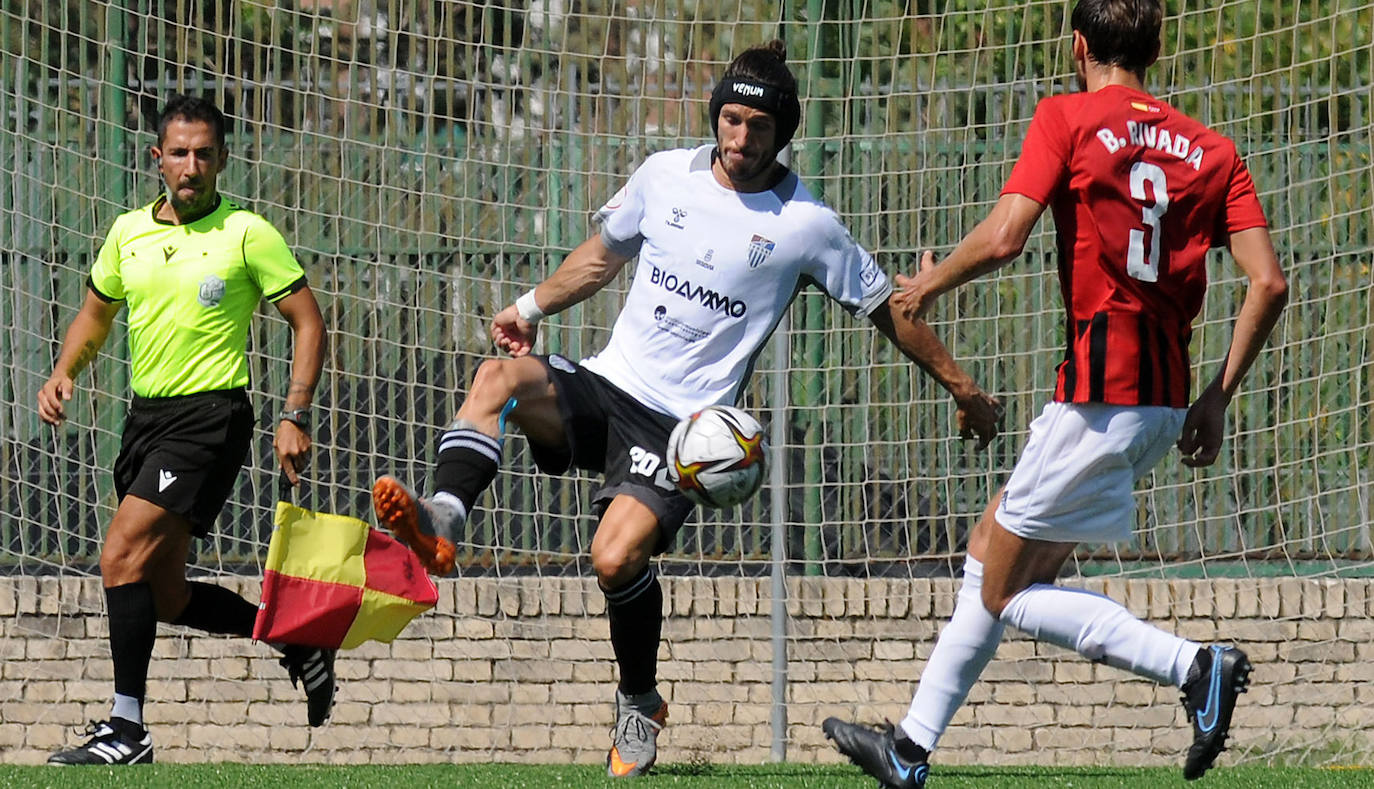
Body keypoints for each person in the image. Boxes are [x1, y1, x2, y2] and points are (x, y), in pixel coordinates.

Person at [371, 40, 1004, 778]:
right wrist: (527, 306)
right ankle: (445, 516)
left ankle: (639, 701)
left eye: (758, 128)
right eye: (730, 120)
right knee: (496, 379)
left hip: (682, 431)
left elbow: (887, 309)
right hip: (609, 383)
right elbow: (601, 255)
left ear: (783, 133)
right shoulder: (665, 174)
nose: (739, 139)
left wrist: (963, 387)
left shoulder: (807, 223)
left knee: (613, 558)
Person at [821, 1, 1288, 785]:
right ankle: (908, 751)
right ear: (1158, 45)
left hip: (1099, 399)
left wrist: (928, 282)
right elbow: (1269, 283)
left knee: (1001, 586)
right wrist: (1218, 394)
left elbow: (1007, 234)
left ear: (1078, 46)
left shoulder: (1067, 118)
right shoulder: (1215, 150)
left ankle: (1196, 666)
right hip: (1162, 402)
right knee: (991, 557)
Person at [38, 96, 333, 765]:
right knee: (164, 593)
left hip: (210, 419)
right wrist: (65, 370)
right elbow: (95, 314)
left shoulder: (247, 232)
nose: (191, 166)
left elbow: (309, 322)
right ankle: (292, 637)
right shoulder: (127, 234)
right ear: (158, 158)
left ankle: (125, 729)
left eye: (204, 153)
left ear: (223, 159)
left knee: (119, 554)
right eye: (179, 152)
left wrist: (295, 411)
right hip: (147, 418)